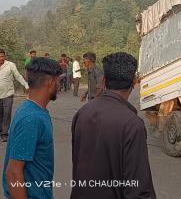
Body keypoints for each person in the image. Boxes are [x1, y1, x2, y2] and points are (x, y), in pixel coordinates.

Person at [71, 52, 155, 199]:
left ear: (103, 80)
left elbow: (77, 163)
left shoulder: (82, 113)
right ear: (134, 82)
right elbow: (138, 188)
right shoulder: (132, 124)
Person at [3, 57, 61, 199]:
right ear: (51, 81)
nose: (59, 85)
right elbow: (13, 173)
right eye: (59, 80)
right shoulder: (32, 118)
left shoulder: (31, 109)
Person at [0, 49, 29, 142]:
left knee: (6, 114)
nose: (1, 58)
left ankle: (4, 134)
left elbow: (18, 76)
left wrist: (26, 85)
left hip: (8, 94)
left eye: (2, 56)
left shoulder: (10, 65)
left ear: (5, 56)